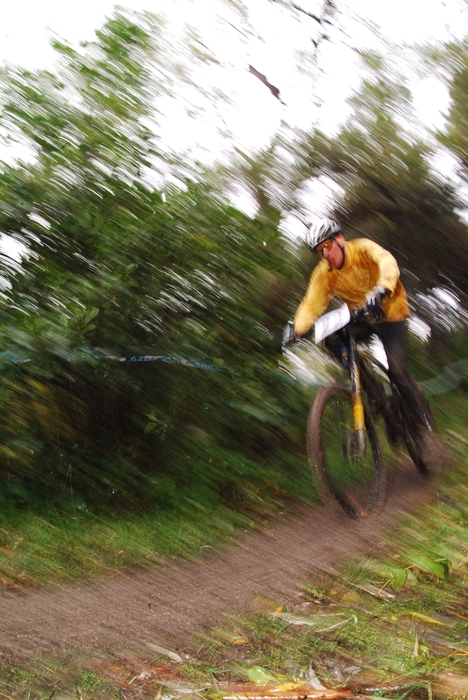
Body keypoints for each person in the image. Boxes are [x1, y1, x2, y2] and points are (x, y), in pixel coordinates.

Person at [283, 218, 434, 435]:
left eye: (327, 246)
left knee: (398, 371)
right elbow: (311, 303)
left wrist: (382, 289)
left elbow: (386, 261)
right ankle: (372, 388)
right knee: (332, 339)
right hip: (361, 316)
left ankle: (422, 416)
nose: (325, 254)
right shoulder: (325, 274)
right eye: (319, 251)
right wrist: (296, 329)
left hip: (390, 311)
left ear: (340, 239)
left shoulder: (362, 249)